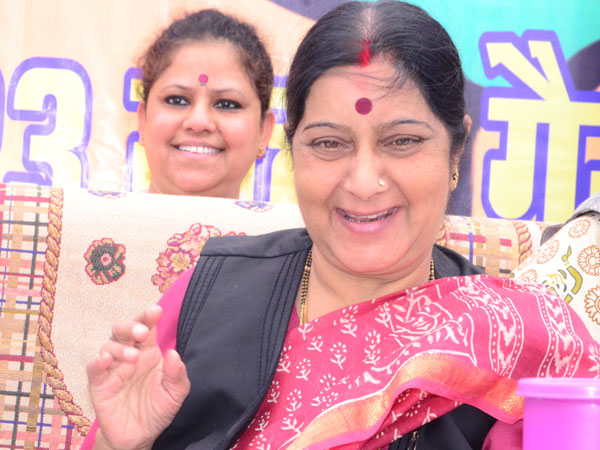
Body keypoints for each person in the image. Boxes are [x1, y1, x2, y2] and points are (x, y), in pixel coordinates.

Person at [84, 2, 600, 449]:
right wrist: (122, 443)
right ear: (292, 151)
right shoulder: (206, 296)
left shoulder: (510, 346)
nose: (364, 182)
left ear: (455, 152)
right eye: (329, 143)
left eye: (402, 141)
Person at [136, 9, 275, 197]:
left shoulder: (295, 218)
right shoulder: (100, 216)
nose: (198, 122)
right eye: (177, 100)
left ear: (264, 131)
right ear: (143, 120)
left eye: (226, 104)